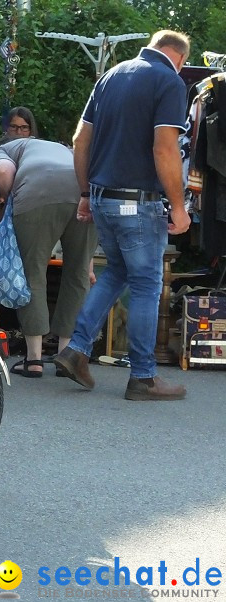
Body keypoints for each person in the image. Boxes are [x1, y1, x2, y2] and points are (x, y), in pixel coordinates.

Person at [55, 30, 191, 400]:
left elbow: (80, 141)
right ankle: (144, 377)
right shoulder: (169, 81)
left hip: (102, 196)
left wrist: (86, 193)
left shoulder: (111, 75)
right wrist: (178, 207)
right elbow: (165, 149)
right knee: (147, 284)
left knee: (116, 271)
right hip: (138, 201)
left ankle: (76, 350)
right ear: (177, 58)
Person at [0, 138, 97, 377]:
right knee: (78, 273)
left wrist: (5, 197)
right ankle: (67, 356)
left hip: (37, 196)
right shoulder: (59, 148)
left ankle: (34, 359)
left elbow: (3, 172)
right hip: (83, 193)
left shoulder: (5, 150)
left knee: (32, 273)